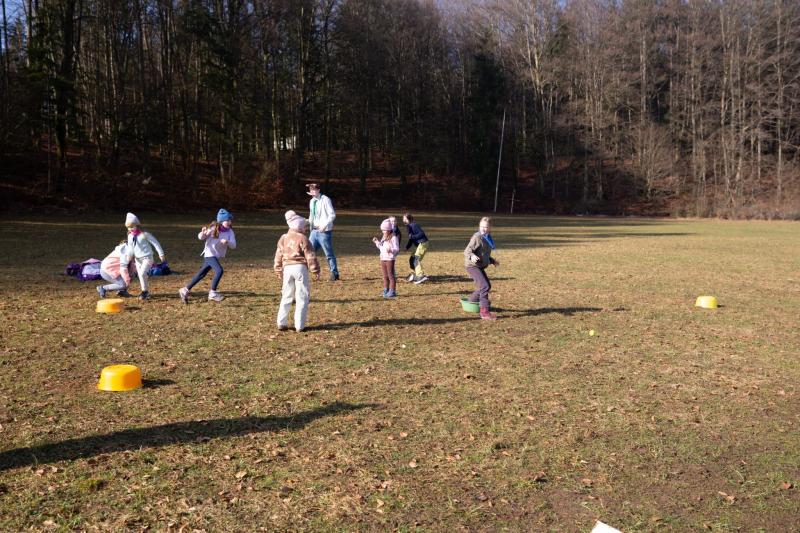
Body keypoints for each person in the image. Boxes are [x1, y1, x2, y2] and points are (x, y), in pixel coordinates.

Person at [274, 211, 321, 332]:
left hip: (287, 269)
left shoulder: (283, 238)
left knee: (286, 295)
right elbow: (310, 256)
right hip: (300, 268)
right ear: (299, 227)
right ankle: (299, 325)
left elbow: (278, 255)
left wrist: (278, 269)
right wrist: (315, 270)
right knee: (302, 296)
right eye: (304, 227)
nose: (306, 229)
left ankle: (281, 322)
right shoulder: (303, 238)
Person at [179, 209, 236, 304]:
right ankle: (212, 293)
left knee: (202, 274)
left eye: (230, 220)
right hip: (209, 254)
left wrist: (227, 242)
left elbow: (234, 246)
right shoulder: (213, 228)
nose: (230, 222)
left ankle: (185, 290)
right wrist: (203, 232)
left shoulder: (230, 232)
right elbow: (201, 237)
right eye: (228, 220)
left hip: (215, 256)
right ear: (221, 221)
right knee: (219, 270)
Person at [464, 216, 500, 320]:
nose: (483, 229)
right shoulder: (477, 237)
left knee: (486, 285)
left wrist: (492, 261)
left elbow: (484, 254)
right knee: (484, 286)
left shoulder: (488, 238)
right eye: (481, 227)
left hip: (479, 266)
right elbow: (467, 251)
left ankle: (472, 301)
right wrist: (472, 256)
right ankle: (484, 312)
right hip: (472, 266)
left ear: (490, 228)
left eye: (486, 227)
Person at [125, 212, 165, 300]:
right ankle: (145, 291)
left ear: (137, 225)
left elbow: (155, 243)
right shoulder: (130, 236)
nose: (130, 229)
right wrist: (129, 256)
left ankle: (145, 292)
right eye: (128, 227)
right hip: (138, 259)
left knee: (142, 273)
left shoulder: (144, 234)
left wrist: (161, 254)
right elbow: (130, 248)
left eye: (132, 226)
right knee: (140, 275)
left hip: (147, 258)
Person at [306, 183, 339, 281]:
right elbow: (311, 215)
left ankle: (334, 274)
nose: (312, 192)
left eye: (314, 189)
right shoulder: (312, 201)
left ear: (318, 190)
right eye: (311, 190)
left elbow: (332, 215)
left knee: (328, 254)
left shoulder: (325, 199)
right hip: (314, 231)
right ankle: (305, 273)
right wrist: (308, 223)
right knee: (308, 252)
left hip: (324, 232)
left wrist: (324, 225)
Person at [373, 218, 400, 299]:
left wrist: (391, 250)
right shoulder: (384, 237)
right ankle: (386, 290)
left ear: (389, 230)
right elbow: (381, 247)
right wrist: (376, 242)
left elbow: (397, 249)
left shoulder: (393, 238)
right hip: (383, 258)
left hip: (390, 259)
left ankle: (392, 291)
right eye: (382, 230)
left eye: (384, 230)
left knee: (391, 276)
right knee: (385, 276)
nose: (383, 231)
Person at [403, 213, 429, 284]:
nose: (403, 220)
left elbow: (421, 233)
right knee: (412, 259)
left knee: (416, 259)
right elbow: (411, 239)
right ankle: (416, 273)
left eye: (405, 219)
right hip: (418, 245)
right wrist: (407, 247)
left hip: (423, 243)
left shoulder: (414, 225)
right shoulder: (409, 226)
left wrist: (413, 237)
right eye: (403, 219)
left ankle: (420, 276)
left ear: (409, 219)